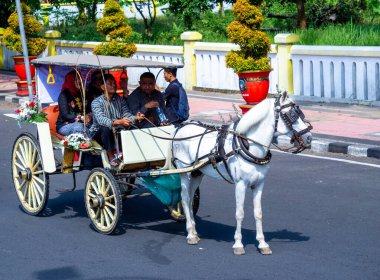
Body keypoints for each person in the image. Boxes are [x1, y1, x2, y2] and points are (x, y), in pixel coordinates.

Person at [90, 74, 143, 166]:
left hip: (116, 131)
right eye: (110, 83)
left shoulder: (120, 100)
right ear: (103, 87)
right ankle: (111, 156)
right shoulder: (96, 102)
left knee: (133, 128)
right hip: (99, 134)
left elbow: (126, 114)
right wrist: (118, 121)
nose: (113, 85)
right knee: (105, 128)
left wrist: (135, 118)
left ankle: (132, 154)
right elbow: (101, 120)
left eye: (114, 83)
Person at [56, 70, 92, 136]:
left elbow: (89, 108)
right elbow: (65, 115)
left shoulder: (83, 93)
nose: (79, 81)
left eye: (80, 79)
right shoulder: (64, 95)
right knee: (79, 128)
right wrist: (80, 117)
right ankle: (84, 145)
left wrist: (89, 116)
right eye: (76, 79)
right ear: (70, 81)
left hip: (83, 123)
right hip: (65, 124)